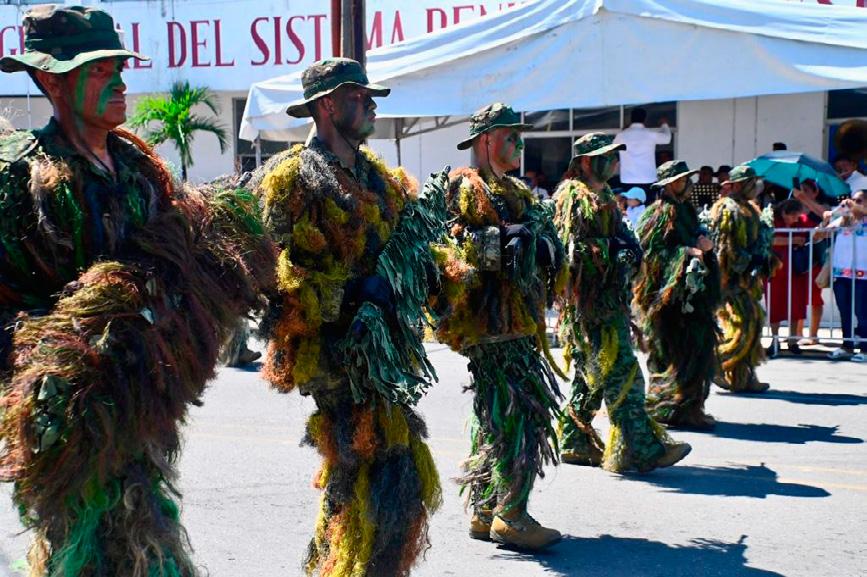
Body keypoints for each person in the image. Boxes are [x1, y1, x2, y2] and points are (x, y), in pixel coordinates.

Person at [0, 6, 274, 576]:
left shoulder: (140, 169)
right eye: (100, 71)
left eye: (119, 68)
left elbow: (183, 265)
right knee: (98, 549)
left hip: (144, 408)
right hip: (73, 423)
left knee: (135, 541)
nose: (121, 82)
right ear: (51, 80)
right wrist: (62, 366)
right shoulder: (22, 180)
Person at [255, 58, 444, 576]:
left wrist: (431, 272)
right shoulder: (294, 179)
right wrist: (352, 292)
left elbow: (412, 248)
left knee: (361, 475)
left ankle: (332, 566)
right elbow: (276, 280)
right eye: (359, 96)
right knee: (384, 471)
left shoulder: (379, 178)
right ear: (326, 105)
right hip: (332, 352)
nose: (371, 105)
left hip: (383, 354)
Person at [433, 102, 564, 550]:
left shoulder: (518, 191)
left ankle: (487, 507)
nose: (521, 145)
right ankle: (512, 514)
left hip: (518, 319)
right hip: (490, 324)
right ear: (487, 140)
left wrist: (541, 246)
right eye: (512, 136)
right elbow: (447, 248)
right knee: (522, 413)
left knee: (495, 414)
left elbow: (546, 240)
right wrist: (501, 241)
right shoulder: (462, 187)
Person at [553, 132, 691, 473]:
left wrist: (628, 249)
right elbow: (567, 251)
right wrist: (612, 250)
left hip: (608, 300)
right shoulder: (574, 197)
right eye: (608, 156)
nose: (615, 162)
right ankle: (640, 448)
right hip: (589, 306)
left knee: (592, 376)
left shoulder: (606, 198)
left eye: (615, 156)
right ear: (587, 162)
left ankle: (573, 439)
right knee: (624, 372)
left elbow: (628, 242)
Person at [634, 161, 722, 430]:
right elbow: (651, 255)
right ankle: (666, 406)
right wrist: (687, 253)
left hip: (693, 296)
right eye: (682, 180)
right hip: (669, 300)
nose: (687, 184)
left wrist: (706, 249)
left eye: (687, 179)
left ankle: (687, 408)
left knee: (696, 352)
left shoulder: (687, 211)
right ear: (670, 184)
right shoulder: (658, 213)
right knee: (670, 353)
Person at [709, 165, 779, 393]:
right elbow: (725, 248)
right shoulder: (726, 208)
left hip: (748, 280)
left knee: (753, 324)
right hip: (731, 280)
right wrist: (747, 261)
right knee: (744, 324)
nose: (756, 186)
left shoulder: (751, 208)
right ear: (738, 185)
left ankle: (744, 377)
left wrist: (763, 258)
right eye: (751, 181)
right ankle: (717, 362)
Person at [825, 191, 867, 362]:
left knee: (862, 313)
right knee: (845, 312)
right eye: (853, 199)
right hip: (841, 274)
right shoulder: (844, 220)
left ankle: (865, 349)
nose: (853, 202)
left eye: (859, 200)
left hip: (863, 275)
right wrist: (835, 213)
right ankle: (847, 346)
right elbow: (822, 232)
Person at [766, 199, 811, 357]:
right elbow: (769, 240)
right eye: (793, 216)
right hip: (775, 269)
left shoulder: (801, 220)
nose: (796, 219)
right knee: (775, 305)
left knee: (796, 305)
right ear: (785, 212)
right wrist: (793, 240)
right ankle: (775, 340)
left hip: (796, 270)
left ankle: (792, 340)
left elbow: (815, 231)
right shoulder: (770, 219)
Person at [793, 179, 833, 345]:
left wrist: (803, 198)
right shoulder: (795, 208)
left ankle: (813, 335)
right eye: (800, 190)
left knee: (815, 297)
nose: (802, 193)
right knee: (798, 296)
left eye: (806, 190)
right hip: (799, 258)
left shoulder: (823, 207)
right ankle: (797, 334)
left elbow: (826, 216)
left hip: (816, 257)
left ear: (815, 192)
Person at [614, 107, 672, 204]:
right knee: (648, 209)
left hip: (628, 179)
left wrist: (624, 131)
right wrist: (664, 124)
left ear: (631, 119)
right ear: (645, 119)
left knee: (630, 209)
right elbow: (667, 138)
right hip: (647, 178)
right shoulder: (650, 135)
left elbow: (614, 146)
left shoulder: (622, 136)